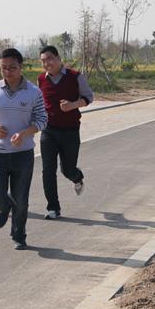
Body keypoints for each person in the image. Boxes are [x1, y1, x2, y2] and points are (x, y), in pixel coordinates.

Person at [0, 48, 47, 250]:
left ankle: (19, 235)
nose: (8, 72)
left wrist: (24, 133)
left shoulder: (34, 92)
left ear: (21, 67)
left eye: (12, 68)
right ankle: (4, 206)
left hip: (23, 154)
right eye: (3, 68)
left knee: (21, 198)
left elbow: (42, 120)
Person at [38, 46, 94, 220]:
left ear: (58, 58)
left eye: (50, 59)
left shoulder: (75, 76)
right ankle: (53, 208)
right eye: (43, 61)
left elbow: (88, 97)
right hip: (48, 130)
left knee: (67, 169)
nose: (47, 63)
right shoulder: (41, 79)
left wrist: (72, 105)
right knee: (48, 170)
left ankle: (77, 177)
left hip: (70, 130)